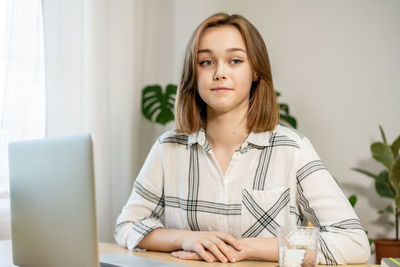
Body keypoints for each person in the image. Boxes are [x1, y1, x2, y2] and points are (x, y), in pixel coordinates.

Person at [115, 13, 370, 264]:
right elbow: (127, 226)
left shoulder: (293, 149)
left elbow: (353, 242)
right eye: (206, 62)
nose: (219, 73)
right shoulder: (168, 148)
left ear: (256, 72)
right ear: (194, 75)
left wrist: (246, 248)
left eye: (235, 60)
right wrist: (187, 239)